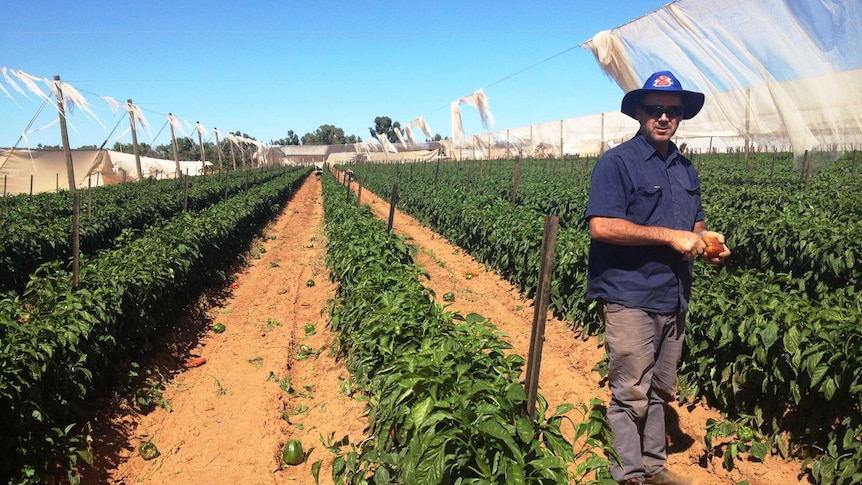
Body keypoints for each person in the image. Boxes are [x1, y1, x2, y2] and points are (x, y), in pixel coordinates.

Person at [584, 71, 730, 485]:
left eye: (672, 111)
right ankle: (628, 475)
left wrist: (709, 242)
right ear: (639, 113)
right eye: (655, 110)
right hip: (630, 294)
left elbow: (695, 225)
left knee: (659, 390)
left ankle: (653, 466)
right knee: (630, 393)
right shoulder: (617, 163)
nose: (664, 117)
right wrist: (671, 236)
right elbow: (602, 227)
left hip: (673, 295)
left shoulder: (685, 169)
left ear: (681, 117)